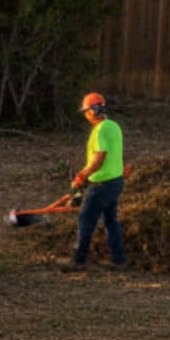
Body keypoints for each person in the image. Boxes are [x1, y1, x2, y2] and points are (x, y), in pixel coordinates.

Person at [64, 91, 126, 271]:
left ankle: (78, 260)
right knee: (111, 221)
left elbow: (98, 159)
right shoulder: (114, 126)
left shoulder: (100, 131)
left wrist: (81, 176)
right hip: (115, 182)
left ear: (93, 110)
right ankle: (119, 259)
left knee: (85, 220)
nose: (85, 115)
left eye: (86, 111)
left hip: (101, 185)